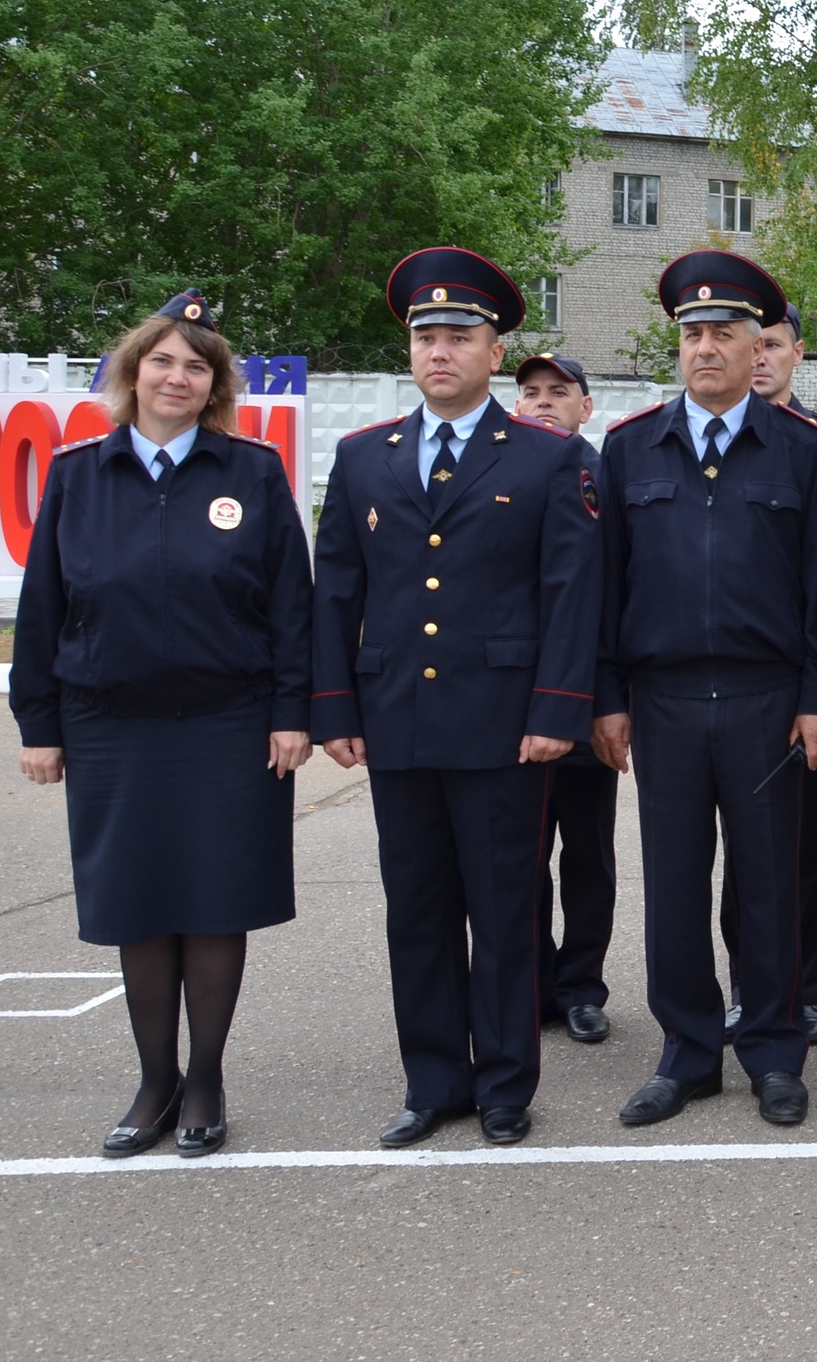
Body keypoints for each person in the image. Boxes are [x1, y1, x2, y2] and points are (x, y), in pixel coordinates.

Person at [312, 249, 602, 1149]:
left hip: (505, 725)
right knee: (419, 910)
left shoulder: (550, 457)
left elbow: (572, 594)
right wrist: (333, 706)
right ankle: (434, 1080)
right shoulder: (363, 458)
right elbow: (335, 592)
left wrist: (557, 711)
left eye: (459, 336)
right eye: (425, 336)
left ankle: (506, 1083)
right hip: (397, 719)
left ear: (496, 348)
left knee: (506, 911)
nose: (440, 351)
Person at [10, 291, 311, 1159]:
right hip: (111, 724)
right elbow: (44, 608)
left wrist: (292, 710)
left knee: (216, 903)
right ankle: (155, 1080)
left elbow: (292, 605)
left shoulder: (249, 471)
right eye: (163, 361)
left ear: (215, 384)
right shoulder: (77, 473)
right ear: (132, 371)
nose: (177, 377)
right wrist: (40, 722)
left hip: (230, 722)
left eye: (197, 365)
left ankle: (206, 1079)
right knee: (138, 904)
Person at [592, 253, 817, 1129]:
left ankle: (774, 1051)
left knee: (770, 883)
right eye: (691, 335)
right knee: (674, 885)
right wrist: (608, 697)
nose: (705, 348)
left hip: (769, 701)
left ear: (754, 347)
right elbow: (605, 587)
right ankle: (687, 1053)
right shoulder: (627, 452)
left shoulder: (808, 452)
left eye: (723, 335)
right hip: (660, 703)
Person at [719, 302, 817, 1048]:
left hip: (806, 682)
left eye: (772, 344)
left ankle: (804, 986)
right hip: (731, 683)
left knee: (804, 847)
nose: (760, 357)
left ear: (797, 354)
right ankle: (749, 985)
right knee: (742, 855)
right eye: (752, 344)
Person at [508, 352, 620, 1048]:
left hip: (583, 701)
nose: (543, 403)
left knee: (586, 857)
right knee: (519, 858)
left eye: (559, 393)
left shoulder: (605, 474)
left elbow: (608, 598)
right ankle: (531, 984)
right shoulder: (505, 469)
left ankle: (581, 987)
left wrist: (610, 697)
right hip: (510, 703)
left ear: (586, 406)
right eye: (530, 393)